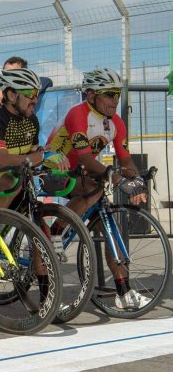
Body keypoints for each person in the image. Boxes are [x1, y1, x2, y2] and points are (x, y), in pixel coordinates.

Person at [46, 67, 149, 310]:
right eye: (110, 94)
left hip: (81, 171)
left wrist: (136, 181)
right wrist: (113, 178)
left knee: (110, 230)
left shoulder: (116, 123)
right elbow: (84, 158)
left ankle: (123, 291)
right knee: (93, 190)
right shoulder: (77, 114)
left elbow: (125, 160)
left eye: (118, 94)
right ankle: (55, 230)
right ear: (91, 95)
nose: (116, 100)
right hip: (54, 167)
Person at [0, 68, 69, 209]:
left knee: (27, 195)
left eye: (37, 94)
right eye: (31, 94)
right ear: (11, 95)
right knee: (12, 183)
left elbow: (31, 158)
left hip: (8, 173)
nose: (35, 100)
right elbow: (2, 161)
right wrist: (42, 156)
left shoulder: (32, 120)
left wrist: (45, 153)